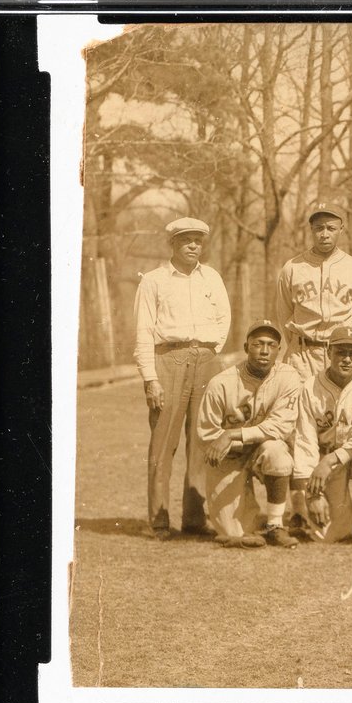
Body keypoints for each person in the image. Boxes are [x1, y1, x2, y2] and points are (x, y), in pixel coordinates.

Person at [133, 216, 231, 540]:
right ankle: (159, 521)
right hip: (168, 360)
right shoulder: (154, 280)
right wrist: (151, 378)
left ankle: (194, 518)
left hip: (205, 360)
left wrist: (210, 350)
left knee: (202, 439)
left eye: (198, 241)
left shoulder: (211, 278)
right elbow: (144, 332)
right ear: (172, 243)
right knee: (163, 444)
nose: (193, 246)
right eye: (186, 240)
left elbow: (223, 318)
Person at [196, 320, 300, 548]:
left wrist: (233, 434)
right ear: (246, 348)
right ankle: (243, 512)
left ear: (279, 350)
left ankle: (274, 525)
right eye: (258, 344)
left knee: (277, 453)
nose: (264, 351)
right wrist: (229, 442)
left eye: (271, 345)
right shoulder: (221, 384)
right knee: (233, 532)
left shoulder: (288, 377)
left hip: (262, 449)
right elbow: (206, 435)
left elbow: (281, 427)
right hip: (230, 457)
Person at [292, 325, 352, 546]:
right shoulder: (310, 388)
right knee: (330, 535)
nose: (347, 359)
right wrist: (312, 495)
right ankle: (346, 520)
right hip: (323, 461)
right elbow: (304, 441)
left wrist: (331, 460)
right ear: (329, 352)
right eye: (341, 352)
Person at [277, 200, 352, 381]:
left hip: (340, 353)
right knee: (299, 405)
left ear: (341, 229)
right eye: (319, 228)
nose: (324, 234)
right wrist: (301, 343)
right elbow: (284, 314)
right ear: (311, 229)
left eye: (331, 228)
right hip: (302, 355)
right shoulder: (293, 267)